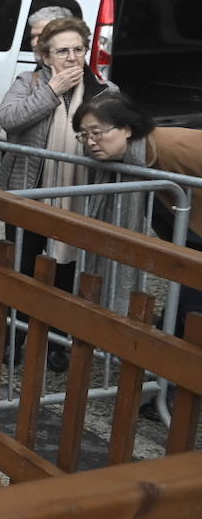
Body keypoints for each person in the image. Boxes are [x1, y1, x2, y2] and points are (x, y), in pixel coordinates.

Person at [72, 94, 202, 343]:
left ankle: (179, 371)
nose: (90, 142)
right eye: (85, 135)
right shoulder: (128, 161)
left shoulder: (173, 147)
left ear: (127, 130)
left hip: (196, 231)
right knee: (185, 294)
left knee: (192, 304)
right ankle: (168, 358)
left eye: (97, 133)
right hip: (190, 233)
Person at [0, 17, 115, 285]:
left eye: (78, 49)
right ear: (46, 56)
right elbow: (8, 118)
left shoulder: (105, 91)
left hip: (80, 199)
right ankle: (16, 326)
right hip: (30, 195)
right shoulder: (30, 82)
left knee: (67, 275)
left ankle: (56, 327)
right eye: (62, 51)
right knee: (22, 270)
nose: (73, 58)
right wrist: (52, 91)